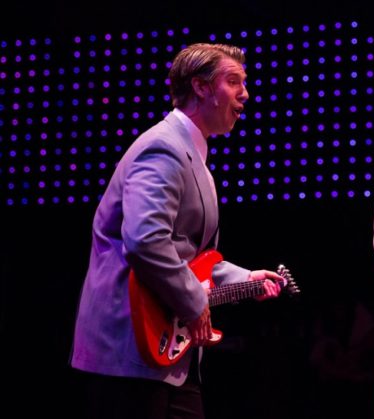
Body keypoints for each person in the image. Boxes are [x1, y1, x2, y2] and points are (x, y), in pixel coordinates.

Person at [71, 43, 283, 419]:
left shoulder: (190, 153)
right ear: (200, 87)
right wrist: (193, 301)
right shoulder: (164, 148)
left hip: (165, 351)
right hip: (129, 347)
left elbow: (184, 254)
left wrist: (244, 278)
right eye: (233, 82)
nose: (245, 94)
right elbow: (146, 240)